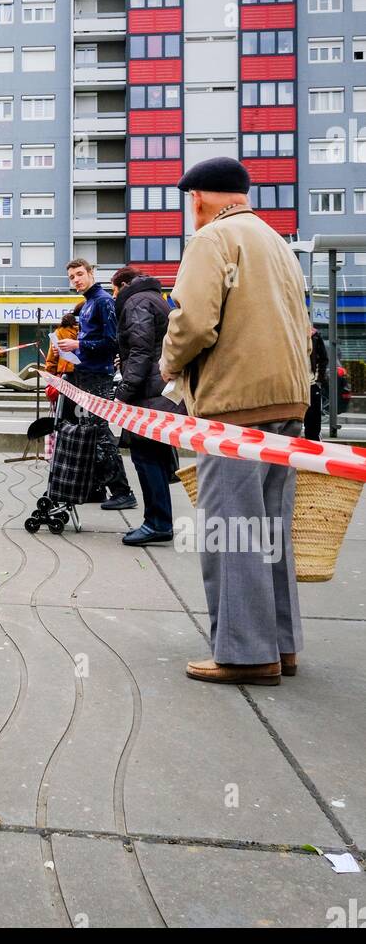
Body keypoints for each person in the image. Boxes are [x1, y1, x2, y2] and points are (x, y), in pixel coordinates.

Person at [160, 158, 311, 687]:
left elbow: (193, 321)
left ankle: (246, 654)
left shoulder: (213, 240)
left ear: (197, 197)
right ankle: (281, 646)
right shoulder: (276, 242)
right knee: (271, 531)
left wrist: (169, 363)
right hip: (287, 403)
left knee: (233, 532)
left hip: (234, 407)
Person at [55, 259, 136, 509]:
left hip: (99, 376)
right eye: (71, 277)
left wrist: (78, 345)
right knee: (89, 432)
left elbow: (112, 342)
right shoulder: (88, 303)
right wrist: (72, 352)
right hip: (86, 373)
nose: (76, 280)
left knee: (99, 433)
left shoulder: (102, 301)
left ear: (91, 273)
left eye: (80, 274)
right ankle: (97, 488)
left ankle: (123, 491)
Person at [111, 268, 178, 545]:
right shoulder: (155, 298)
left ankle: (158, 522)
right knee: (156, 455)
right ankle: (160, 519)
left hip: (147, 393)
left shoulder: (136, 302)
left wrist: (123, 391)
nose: (113, 295)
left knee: (145, 455)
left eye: (114, 289)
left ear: (124, 284)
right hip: (159, 387)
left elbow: (140, 350)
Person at [303, 325, 328, 441]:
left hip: (310, 384)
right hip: (294, 385)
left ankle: (313, 449)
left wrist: (318, 381)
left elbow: (323, 358)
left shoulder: (314, 335)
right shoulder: (288, 331)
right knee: (289, 426)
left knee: (313, 427)